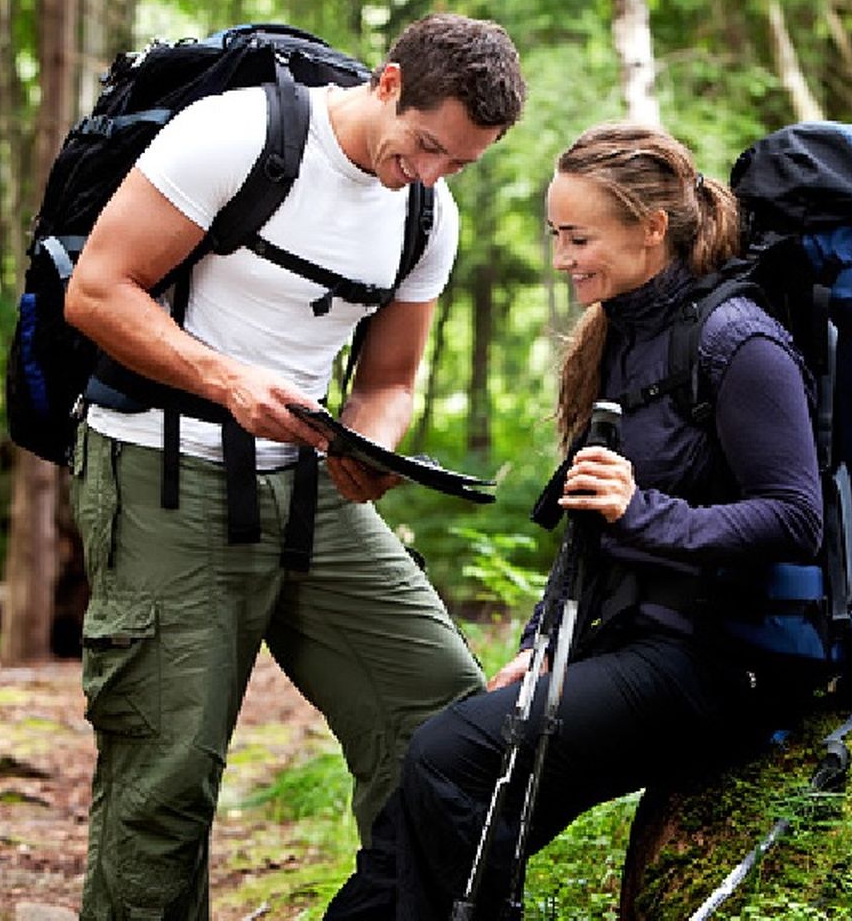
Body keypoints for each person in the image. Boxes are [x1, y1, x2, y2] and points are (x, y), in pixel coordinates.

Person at [63, 14, 526, 919]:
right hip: (161, 467)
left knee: (442, 718)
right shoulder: (236, 134)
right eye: (427, 146)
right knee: (167, 773)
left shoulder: (428, 212)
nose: (430, 173)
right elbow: (97, 291)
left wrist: (371, 442)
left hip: (308, 485)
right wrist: (226, 378)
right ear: (388, 85)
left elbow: (391, 378)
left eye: (460, 163)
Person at [323, 121, 825, 919]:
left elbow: (797, 519)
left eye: (578, 237)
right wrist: (539, 643)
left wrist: (645, 511)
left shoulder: (738, 339)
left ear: (651, 228)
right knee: (436, 813)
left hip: (724, 662)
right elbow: (589, 533)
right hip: (632, 640)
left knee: (452, 757)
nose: (562, 259)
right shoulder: (623, 334)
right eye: (556, 235)